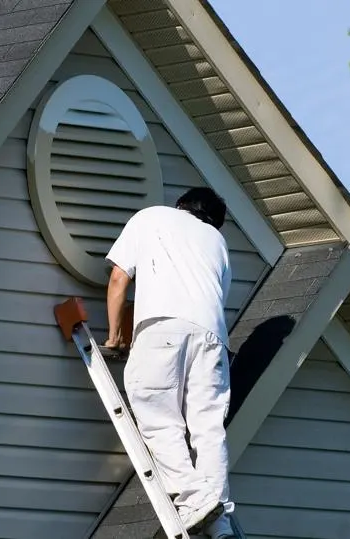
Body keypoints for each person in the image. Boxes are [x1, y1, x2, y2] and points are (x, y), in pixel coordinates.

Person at [103, 187, 236, 539]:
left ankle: (195, 499)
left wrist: (115, 336)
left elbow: (119, 279)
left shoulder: (151, 216)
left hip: (162, 327)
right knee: (208, 428)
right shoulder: (217, 243)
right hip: (213, 336)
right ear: (213, 221)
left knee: (159, 416)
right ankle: (220, 523)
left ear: (182, 205)